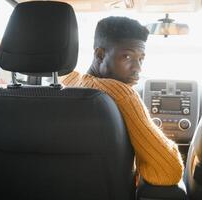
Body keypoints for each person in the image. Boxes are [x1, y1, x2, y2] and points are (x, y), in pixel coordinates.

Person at [62, 16, 183, 186]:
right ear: (100, 55)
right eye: (127, 57)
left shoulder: (66, 82)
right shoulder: (122, 94)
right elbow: (169, 171)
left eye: (141, 58)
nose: (138, 68)